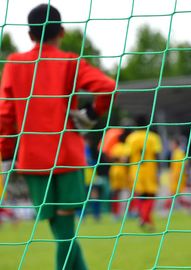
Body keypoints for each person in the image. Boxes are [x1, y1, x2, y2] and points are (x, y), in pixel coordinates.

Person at [0, 4, 115, 270]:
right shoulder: (70, 61)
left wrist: (7, 156)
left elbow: (5, 116)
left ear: (30, 35)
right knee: (65, 229)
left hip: (33, 161)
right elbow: (108, 86)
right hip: (67, 157)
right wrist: (92, 112)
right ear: (61, 32)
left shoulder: (14, 64)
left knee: (61, 229)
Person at [125, 116, 162, 231]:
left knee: (141, 196)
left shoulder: (131, 138)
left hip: (136, 170)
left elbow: (128, 156)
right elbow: (157, 155)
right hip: (150, 169)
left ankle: (145, 219)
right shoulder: (153, 137)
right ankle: (144, 218)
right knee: (151, 195)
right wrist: (158, 171)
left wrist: (127, 171)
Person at [164, 137, 191, 211]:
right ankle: (190, 208)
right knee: (177, 196)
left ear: (175, 144)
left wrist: (180, 175)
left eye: (171, 144)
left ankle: (165, 210)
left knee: (172, 194)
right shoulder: (176, 153)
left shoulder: (178, 153)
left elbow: (185, 164)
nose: (170, 145)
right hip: (176, 177)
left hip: (177, 178)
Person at [109, 133, 130, 220]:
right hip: (123, 172)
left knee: (115, 193)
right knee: (126, 192)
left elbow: (111, 158)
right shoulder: (126, 147)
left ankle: (115, 214)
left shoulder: (115, 147)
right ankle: (125, 212)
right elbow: (127, 160)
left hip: (114, 171)